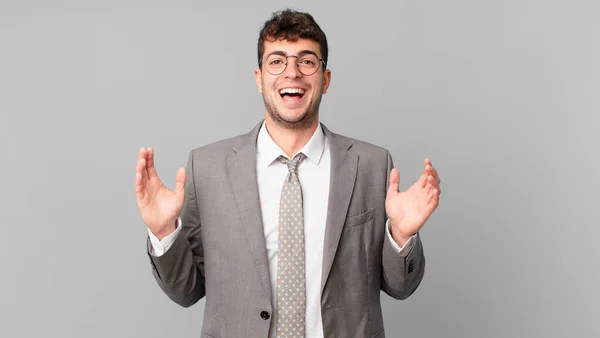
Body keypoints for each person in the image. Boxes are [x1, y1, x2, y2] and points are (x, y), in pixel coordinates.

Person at [135, 9, 441, 338]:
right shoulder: (208, 167)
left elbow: (400, 287)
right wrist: (164, 231)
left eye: (307, 61)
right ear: (259, 78)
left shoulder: (372, 165)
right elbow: (186, 291)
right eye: (277, 61)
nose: (291, 73)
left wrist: (401, 236)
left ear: (325, 79)